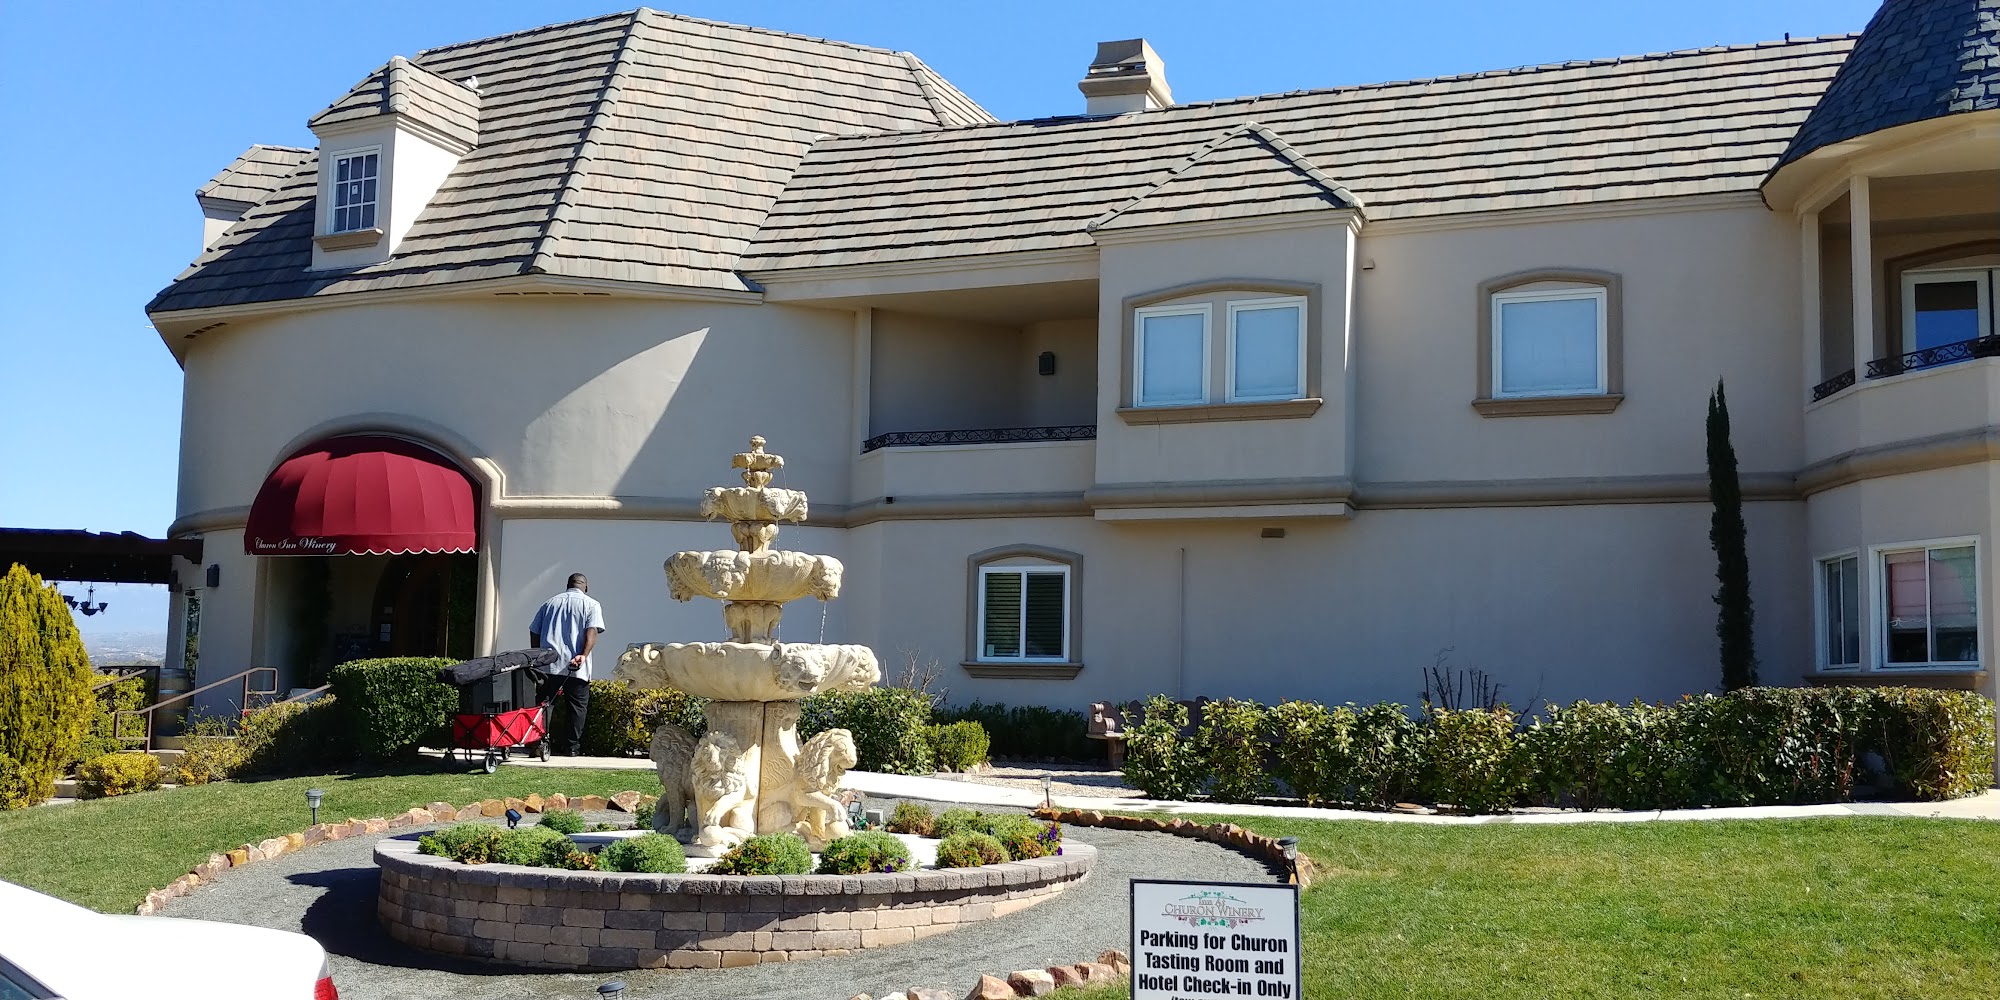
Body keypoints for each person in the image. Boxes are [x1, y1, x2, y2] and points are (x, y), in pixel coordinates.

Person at [529, 573, 606, 757]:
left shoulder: (549, 603)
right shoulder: (592, 604)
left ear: (567, 585)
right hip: (576, 667)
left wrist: (538, 655)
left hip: (549, 665)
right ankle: (571, 748)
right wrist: (583, 655)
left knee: (544, 705)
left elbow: (534, 630)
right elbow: (592, 631)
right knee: (577, 708)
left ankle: (538, 743)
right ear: (585, 587)